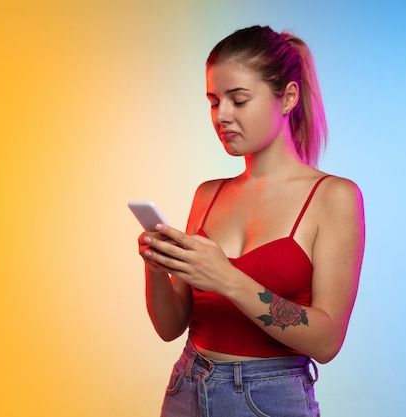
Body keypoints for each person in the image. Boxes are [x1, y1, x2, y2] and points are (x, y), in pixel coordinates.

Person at [137, 25, 365, 417]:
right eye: (213, 101)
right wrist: (156, 267)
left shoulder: (333, 197)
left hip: (269, 399)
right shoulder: (208, 195)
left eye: (238, 100)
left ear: (288, 97)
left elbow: (327, 342)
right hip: (187, 388)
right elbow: (170, 327)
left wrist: (225, 277)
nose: (221, 116)